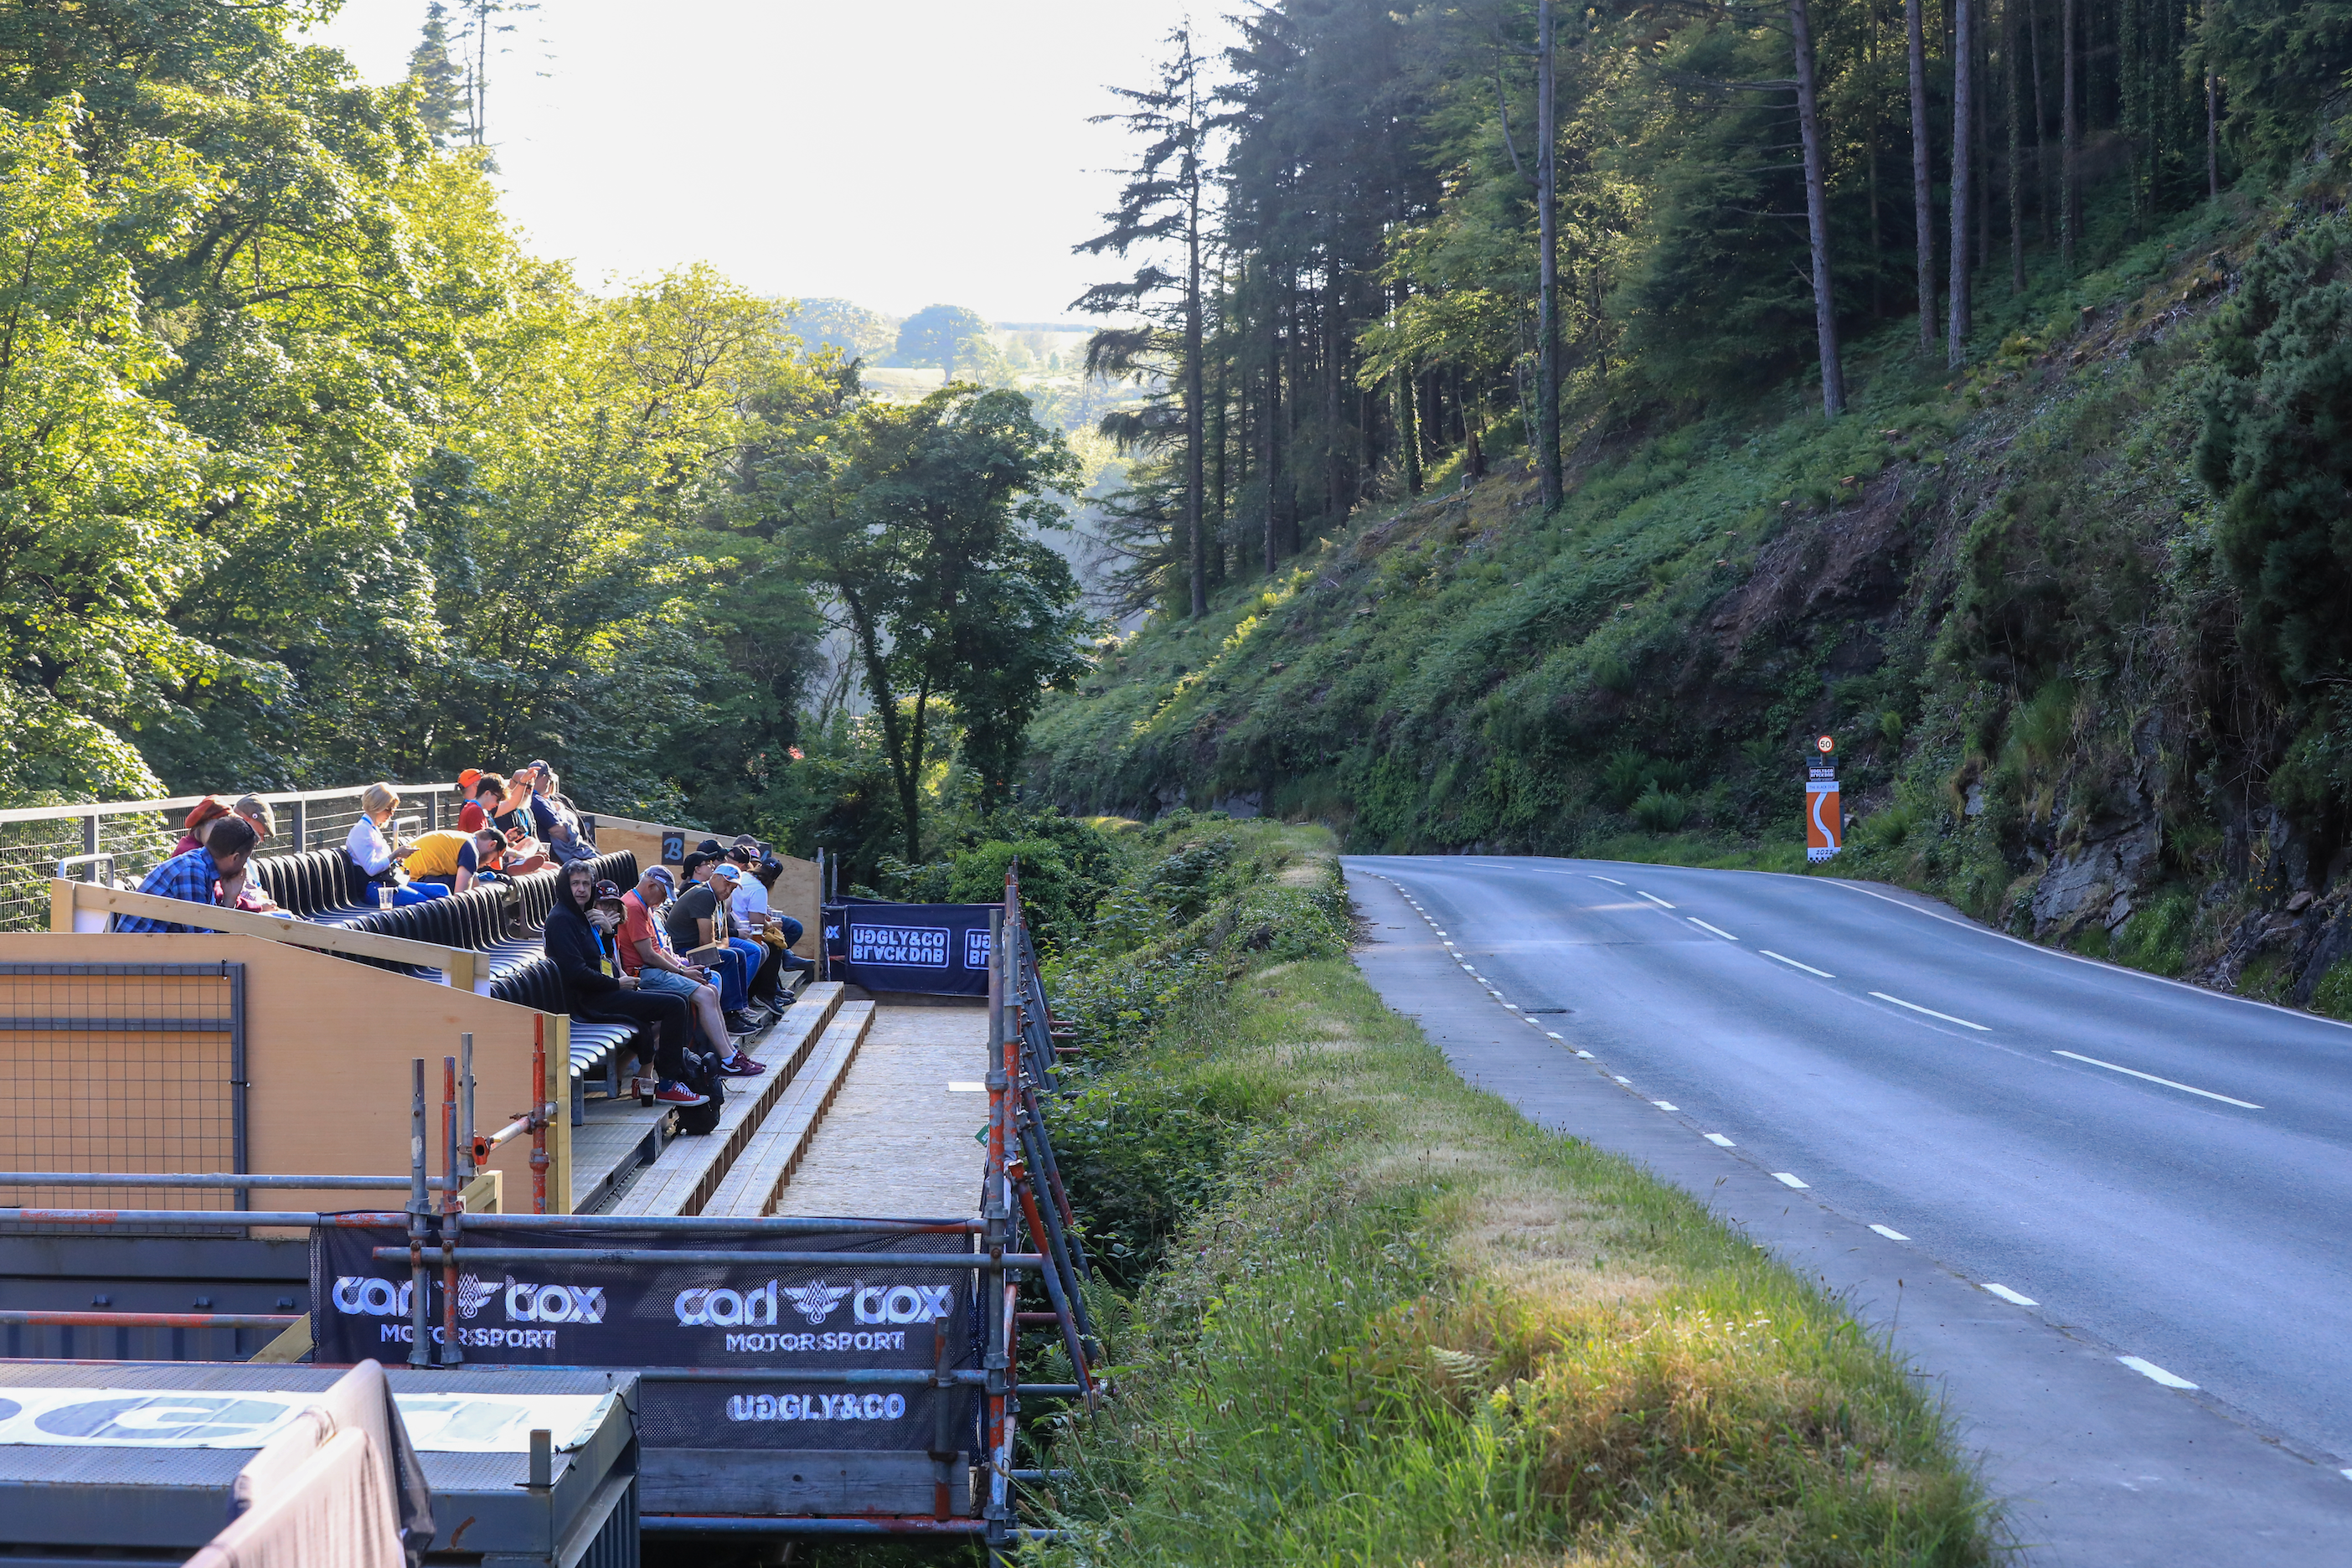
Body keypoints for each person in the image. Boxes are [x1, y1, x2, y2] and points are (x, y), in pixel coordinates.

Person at [543, 864, 706, 1108]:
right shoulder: (562, 920)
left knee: (677, 1000)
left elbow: (601, 960)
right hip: (587, 1001)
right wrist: (617, 984)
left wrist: (608, 934)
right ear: (564, 886)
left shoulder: (583, 915)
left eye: (586, 884)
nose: (581, 889)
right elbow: (575, 973)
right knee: (674, 1004)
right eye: (575, 883)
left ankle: (665, 1080)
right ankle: (668, 1084)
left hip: (600, 992)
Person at [620, 866, 766, 1075]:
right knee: (706, 993)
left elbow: (659, 950)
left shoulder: (645, 906)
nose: (661, 902)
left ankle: (730, 1054)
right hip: (642, 974)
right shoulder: (634, 906)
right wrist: (682, 972)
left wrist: (681, 966)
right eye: (662, 895)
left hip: (653, 969)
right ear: (651, 886)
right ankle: (727, 1058)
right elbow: (649, 956)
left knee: (711, 989)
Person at [665, 856, 773, 1030]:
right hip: (682, 952)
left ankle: (737, 1009)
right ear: (715, 877)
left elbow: (723, 938)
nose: (729, 890)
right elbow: (705, 942)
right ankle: (728, 1015)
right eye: (727, 884)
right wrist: (721, 946)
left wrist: (721, 946)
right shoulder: (704, 895)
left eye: (733, 887)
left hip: (696, 947)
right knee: (730, 956)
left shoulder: (718, 899)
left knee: (738, 953)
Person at [115, 816, 260, 933]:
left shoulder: (200, 865)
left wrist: (229, 900)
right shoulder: (192, 871)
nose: (244, 865)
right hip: (133, 963)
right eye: (245, 859)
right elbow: (204, 943)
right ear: (234, 857)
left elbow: (207, 936)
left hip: (148, 958)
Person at [346, 783, 449, 905]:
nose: (391, 814)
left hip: (385, 882)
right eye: (388, 809)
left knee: (442, 891)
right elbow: (372, 869)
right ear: (376, 807)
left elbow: (380, 861)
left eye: (393, 809)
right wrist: (395, 855)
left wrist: (397, 858)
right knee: (427, 905)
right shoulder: (361, 830)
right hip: (373, 887)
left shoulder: (372, 828)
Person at [727, 842, 811, 983]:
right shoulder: (759, 888)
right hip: (741, 928)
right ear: (774, 879)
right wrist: (772, 924)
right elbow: (757, 924)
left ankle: (774, 984)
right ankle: (761, 991)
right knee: (772, 945)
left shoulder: (745, 876)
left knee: (780, 937)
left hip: (734, 922)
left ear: (759, 866)